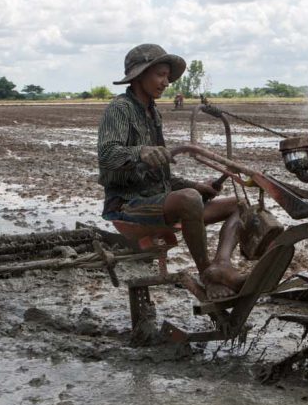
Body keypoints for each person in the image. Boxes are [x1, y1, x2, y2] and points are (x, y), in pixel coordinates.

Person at [98, 44, 246, 296]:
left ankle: (221, 265)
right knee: (188, 200)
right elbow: (107, 155)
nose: (166, 82)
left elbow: (162, 175)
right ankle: (207, 273)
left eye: (167, 76)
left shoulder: (153, 114)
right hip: (127, 205)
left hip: (156, 201)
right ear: (139, 75)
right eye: (160, 75)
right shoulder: (120, 108)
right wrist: (140, 152)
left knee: (239, 204)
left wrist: (196, 186)